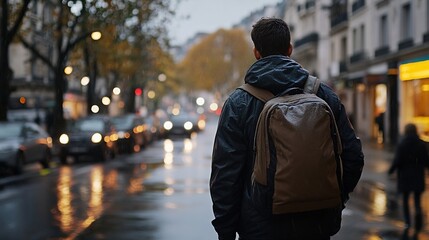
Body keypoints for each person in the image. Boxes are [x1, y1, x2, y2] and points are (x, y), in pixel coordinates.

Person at [210, 17, 364, 240]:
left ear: (256, 52)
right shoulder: (323, 94)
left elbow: (225, 174)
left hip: (260, 227)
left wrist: (225, 230)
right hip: (316, 226)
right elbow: (353, 157)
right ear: (290, 49)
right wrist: (332, 201)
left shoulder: (238, 103)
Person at [388, 123, 429, 239]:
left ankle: (408, 222)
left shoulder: (402, 144)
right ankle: (418, 219)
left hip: (405, 177)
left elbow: (397, 160)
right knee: (417, 201)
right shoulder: (421, 144)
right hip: (418, 176)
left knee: (405, 200)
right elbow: (426, 161)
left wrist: (391, 170)